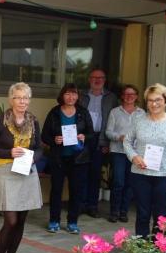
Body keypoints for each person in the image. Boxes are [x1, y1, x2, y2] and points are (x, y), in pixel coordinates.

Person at [0, 83, 42, 253]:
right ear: (11, 99)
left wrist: (34, 157)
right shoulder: (0, 121)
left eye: (25, 97)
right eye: (18, 97)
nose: (22, 101)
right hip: (7, 171)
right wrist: (8, 152)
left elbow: (41, 148)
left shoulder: (34, 122)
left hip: (27, 171)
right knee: (11, 220)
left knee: (22, 219)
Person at [123, 83, 166, 238]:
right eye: (150, 100)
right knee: (142, 213)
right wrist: (134, 156)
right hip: (140, 174)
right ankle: (141, 248)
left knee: (161, 215)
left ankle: (158, 247)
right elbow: (127, 141)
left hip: (165, 175)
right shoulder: (139, 120)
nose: (154, 103)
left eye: (158, 99)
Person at [41, 83, 94, 235]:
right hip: (58, 157)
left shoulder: (83, 112)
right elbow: (45, 135)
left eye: (74, 94)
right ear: (62, 96)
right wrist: (54, 140)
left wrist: (84, 136)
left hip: (79, 159)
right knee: (56, 190)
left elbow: (92, 134)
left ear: (78, 96)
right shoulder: (55, 112)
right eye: (68, 94)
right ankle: (54, 221)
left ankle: (72, 222)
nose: (71, 97)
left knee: (76, 191)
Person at [78, 68, 118, 218]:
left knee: (95, 173)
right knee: (81, 171)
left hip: (100, 139)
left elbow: (114, 121)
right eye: (94, 77)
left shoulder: (111, 97)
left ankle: (92, 205)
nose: (97, 80)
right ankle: (80, 204)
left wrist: (107, 142)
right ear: (89, 79)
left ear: (105, 80)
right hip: (83, 138)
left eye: (100, 77)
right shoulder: (81, 96)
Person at [104, 84, 145, 223]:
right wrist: (119, 137)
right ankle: (114, 211)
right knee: (118, 182)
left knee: (130, 183)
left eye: (132, 94)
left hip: (134, 153)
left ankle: (124, 212)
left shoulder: (142, 113)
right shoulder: (115, 112)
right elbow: (108, 132)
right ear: (122, 96)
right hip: (118, 152)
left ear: (137, 97)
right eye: (126, 94)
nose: (129, 96)